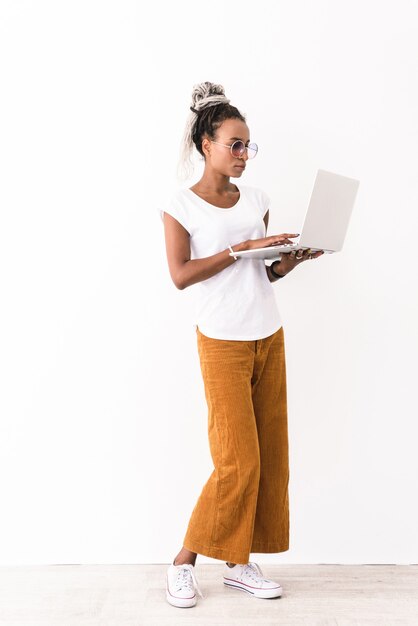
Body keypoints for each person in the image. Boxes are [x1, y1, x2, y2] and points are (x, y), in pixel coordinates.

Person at [159, 81, 324, 608]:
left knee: (270, 458)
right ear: (205, 143)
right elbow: (181, 275)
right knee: (237, 462)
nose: (244, 155)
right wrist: (241, 246)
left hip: (267, 336)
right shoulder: (180, 205)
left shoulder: (257, 200)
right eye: (235, 144)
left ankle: (237, 563)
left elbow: (264, 275)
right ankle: (183, 562)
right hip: (222, 341)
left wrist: (289, 260)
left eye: (249, 145)